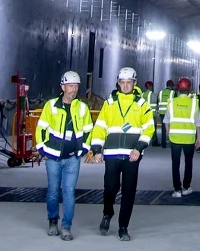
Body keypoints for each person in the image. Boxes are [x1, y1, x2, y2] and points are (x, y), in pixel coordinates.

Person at [88, 67, 154, 241]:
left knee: (128, 191)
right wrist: (96, 149)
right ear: (118, 83)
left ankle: (123, 227)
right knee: (110, 187)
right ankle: (107, 213)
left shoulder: (141, 104)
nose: (125, 86)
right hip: (111, 154)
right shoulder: (109, 103)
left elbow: (149, 128)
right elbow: (100, 126)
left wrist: (138, 148)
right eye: (122, 83)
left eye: (129, 83)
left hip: (132, 155)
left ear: (134, 83)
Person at [34, 70, 92, 240]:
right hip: (53, 157)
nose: (74, 89)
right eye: (70, 86)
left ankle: (66, 226)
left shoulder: (82, 108)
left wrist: (82, 150)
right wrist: (42, 149)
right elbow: (41, 128)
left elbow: (89, 131)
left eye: (76, 86)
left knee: (69, 191)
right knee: (53, 192)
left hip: (73, 158)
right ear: (63, 87)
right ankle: (53, 221)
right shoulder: (51, 106)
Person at [165, 77, 200, 196]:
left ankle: (177, 189)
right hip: (189, 139)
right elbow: (198, 123)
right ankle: (186, 187)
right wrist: (199, 138)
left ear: (178, 89)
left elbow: (166, 121)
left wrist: (168, 133)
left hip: (175, 138)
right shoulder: (194, 102)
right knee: (188, 163)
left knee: (175, 164)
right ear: (189, 89)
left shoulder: (172, 102)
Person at [154, 79, 174, 148]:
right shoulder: (173, 93)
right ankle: (172, 142)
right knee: (171, 127)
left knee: (163, 128)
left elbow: (158, 102)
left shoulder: (161, 92)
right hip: (170, 112)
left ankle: (163, 143)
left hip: (162, 112)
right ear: (171, 86)